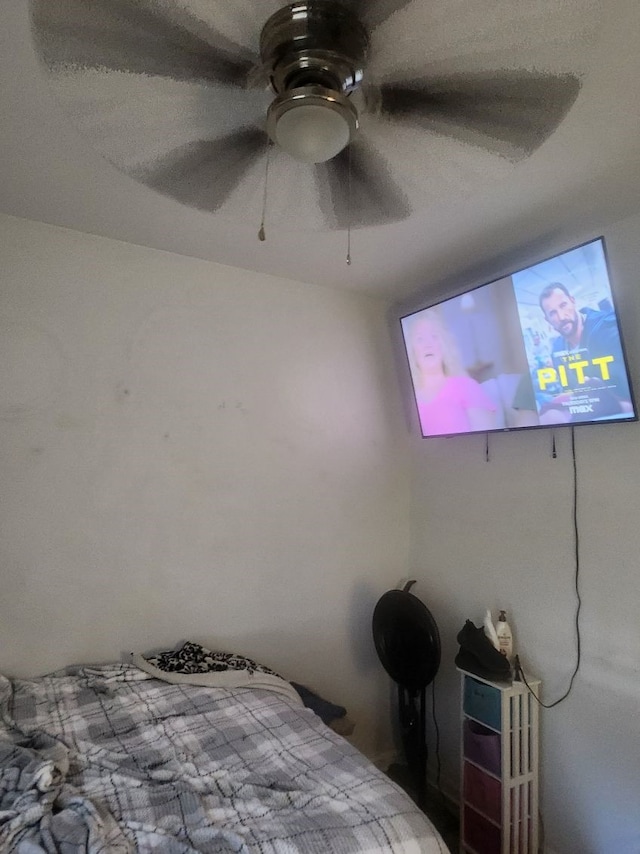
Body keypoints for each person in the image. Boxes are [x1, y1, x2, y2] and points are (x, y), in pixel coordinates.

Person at [537, 281, 632, 418]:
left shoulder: (608, 330)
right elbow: (573, 393)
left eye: (563, 305)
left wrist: (611, 401)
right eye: (553, 313)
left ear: (573, 301)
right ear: (547, 320)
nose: (562, 317)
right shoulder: (557, 350)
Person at [407, 311, 497, 436]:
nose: (428, 345)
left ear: (444, 346)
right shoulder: (406, 402)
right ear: (412, 350)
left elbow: (490, 443)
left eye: (434, 336)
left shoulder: (466, 386)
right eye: (420, 339)